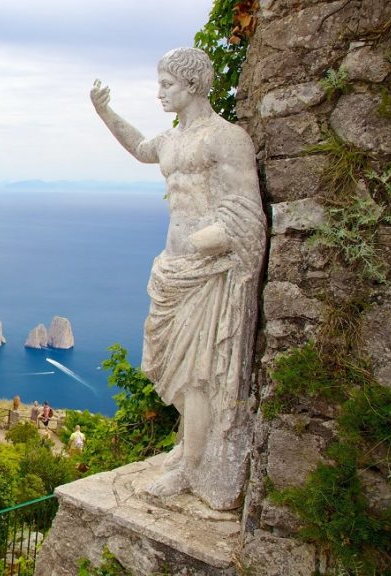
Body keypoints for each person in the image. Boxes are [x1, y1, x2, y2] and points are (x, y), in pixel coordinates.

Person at [90, 47, 266, 511]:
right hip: (173, 269)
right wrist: (106, 112)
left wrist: (221, 233)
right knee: (174, 366)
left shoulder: (226, 139)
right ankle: (192, 448)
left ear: (192, 85)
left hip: (207, 271)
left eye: (167, 84)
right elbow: (138, 147)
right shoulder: (170, 142)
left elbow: (248, 207)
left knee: (199, 372)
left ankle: (193, 465)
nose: (160, 92)